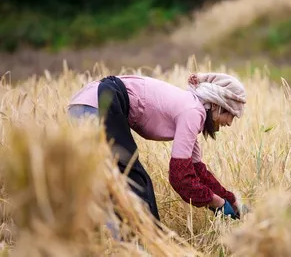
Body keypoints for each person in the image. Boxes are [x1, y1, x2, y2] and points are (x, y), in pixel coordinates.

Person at [67, 72, 246, 222]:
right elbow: (180, 178)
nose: (230, 123)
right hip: (100, 104)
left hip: (89, 103)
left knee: (108, 185)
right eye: (231, 114)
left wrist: (231, 200)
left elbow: (197, 171)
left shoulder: (190, 108)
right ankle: (141, 247)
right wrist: (217, 203)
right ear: (216, 104)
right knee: (134, 187)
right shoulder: (193, 111)